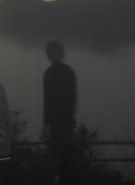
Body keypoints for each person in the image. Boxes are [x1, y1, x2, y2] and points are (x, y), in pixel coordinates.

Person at [43, 40, 78, 185]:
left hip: (55, 125)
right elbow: (72, 98)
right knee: (67, 162)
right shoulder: (69, 71)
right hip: (67, 124)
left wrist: (46, 124)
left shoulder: (49, 74)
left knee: (55, 163)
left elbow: (48, 101)